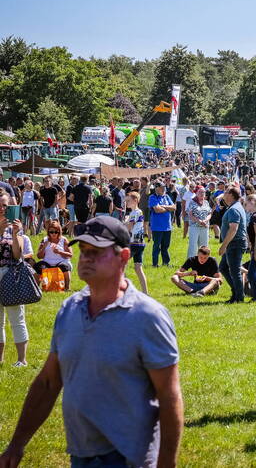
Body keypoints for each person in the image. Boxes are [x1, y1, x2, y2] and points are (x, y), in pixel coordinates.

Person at [0, 216, 183, 467]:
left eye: (96, 252)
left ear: (124, 257)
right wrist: (16, 444)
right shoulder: (70, 309)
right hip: (81, 454)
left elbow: (169, 396)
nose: (85, 258)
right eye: (83, 250)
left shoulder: (147, 316)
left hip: (131, 457)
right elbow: (48, 383)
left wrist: (166, 463)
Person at [0, 197, 29, 367]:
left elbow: (18, 255)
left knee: (16, 318)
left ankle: (21, 360)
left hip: (12, 275)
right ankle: (1, 359)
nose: (3, 208)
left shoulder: (15, 228)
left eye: (5, 205)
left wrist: (16, 233)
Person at [218, 186, 248, 304]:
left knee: (234, 271)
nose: (224, 194)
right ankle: (236, 292)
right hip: (234, 243)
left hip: (235, 243)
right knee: (224, 268)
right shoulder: (234, 207)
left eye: (226, 192)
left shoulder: (234, 209)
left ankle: (239, 297)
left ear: (231, 195)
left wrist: (223, 246)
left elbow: (233, 229)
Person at [34, 220, 73, 292]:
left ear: (59, 231)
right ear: (48, 232)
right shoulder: (45, 240)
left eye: (56, 232)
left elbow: (70, 255)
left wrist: (59, 252)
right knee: (38, 266)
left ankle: (67, 288)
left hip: (61, 261)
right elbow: (39, 256)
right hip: (47, 262)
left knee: (65, 266)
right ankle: (35, 289)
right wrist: (44, 247)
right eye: (51, 232)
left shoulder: (64, 240)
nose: (54, 234)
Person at [123, 191, 149, 295]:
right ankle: (145, 293)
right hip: (140, 243)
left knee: (121, 266)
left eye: (128, 201)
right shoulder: (138, 212)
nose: (127, 203)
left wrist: (121, 225)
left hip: (133, 243)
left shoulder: (135, 212)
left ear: (135, 200)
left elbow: (129, 227)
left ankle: (125, 291)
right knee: (138, 268)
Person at [148, 182, 175, 268]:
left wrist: (163, 206)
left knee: (165, 246)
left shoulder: (166, 196)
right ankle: (155, 264)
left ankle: (166, 263)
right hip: (157, 226)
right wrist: (168, 208)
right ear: (156, 188)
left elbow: (174, 207)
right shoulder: (152, 197)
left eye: (164, 187)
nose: (164, 189)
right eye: (162, 187)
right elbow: (157, 210)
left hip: (167, 226)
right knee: (157, 246)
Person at [185, 186, 211, 260]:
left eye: (203, 192)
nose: (202, 193)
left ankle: (203, 262)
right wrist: (198, 221)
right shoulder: (192, 202)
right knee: (193, 246)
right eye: (200, 192)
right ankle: (191, 263)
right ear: (196, 193)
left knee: (204, 246)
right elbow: (190, 214)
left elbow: (209, 213)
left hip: (205, 227)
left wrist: (205, 220)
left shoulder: (206, 202)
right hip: (194, 227)